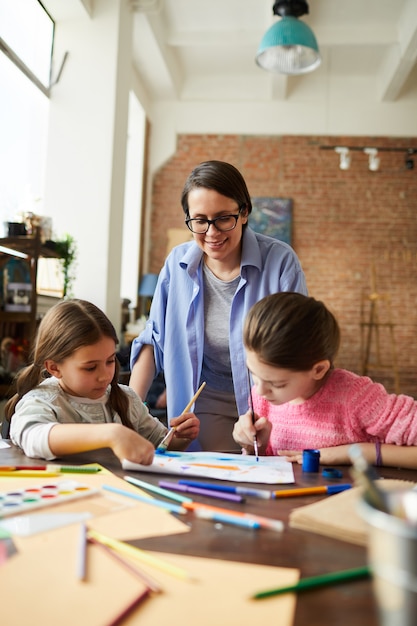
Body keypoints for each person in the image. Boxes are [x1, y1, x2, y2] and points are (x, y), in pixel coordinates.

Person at [129, 160, 307, 451]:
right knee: (211, 477)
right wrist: (130, 411)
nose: (211, 232)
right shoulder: (177, 264)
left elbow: (297, 346)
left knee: (271, 479)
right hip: (205, 400)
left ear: (245, 212)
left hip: (270, 399)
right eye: (199, 220)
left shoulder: (280, 262)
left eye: (224, 218)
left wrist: (270, 410)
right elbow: (153, 340)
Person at [233, 291, 417, 469]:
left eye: (277, 384)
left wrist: (355, 452)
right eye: (254, 374)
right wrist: (254, 448)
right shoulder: (263, 398)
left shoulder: (355, 397)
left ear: (319, 369)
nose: (259, 391)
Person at [6, 299, 199, 463]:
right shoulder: (42, 400)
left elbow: (159, 445)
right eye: (90, 367)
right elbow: (33, 436)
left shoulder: (127, 399)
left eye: (110, 361)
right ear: (54, 368)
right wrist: (111, 434)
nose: (105, 375)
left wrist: (180, 437)